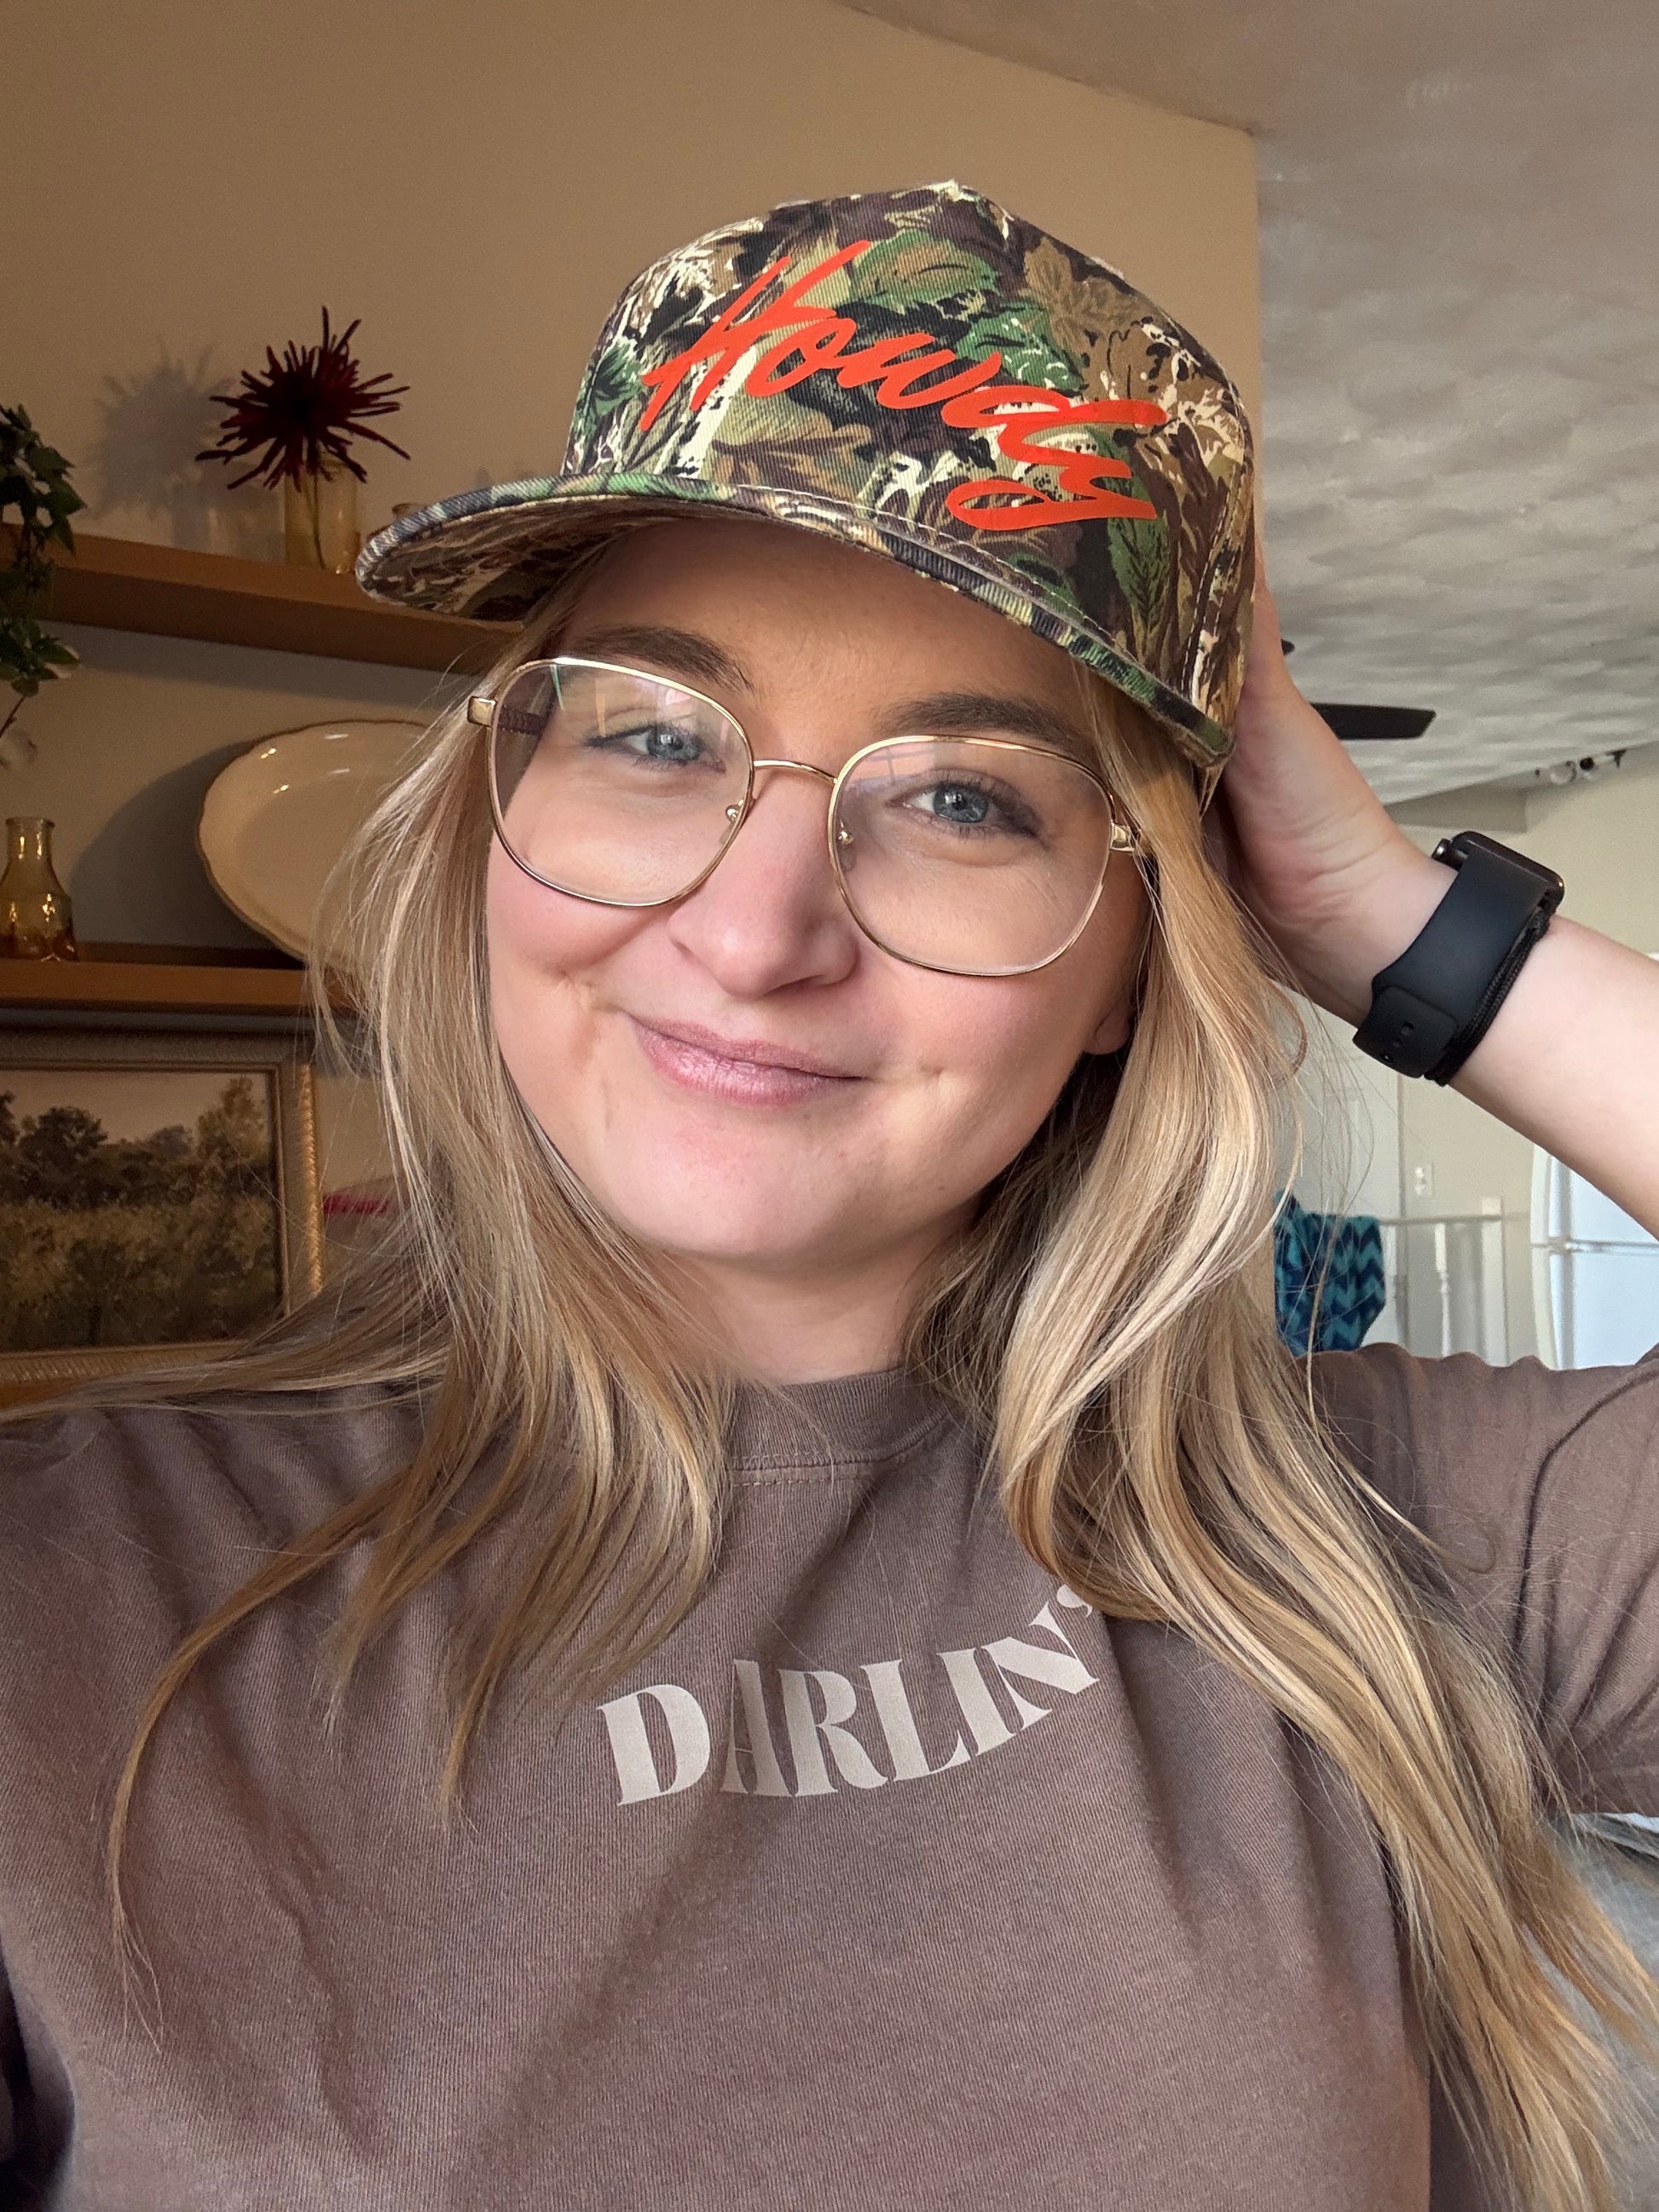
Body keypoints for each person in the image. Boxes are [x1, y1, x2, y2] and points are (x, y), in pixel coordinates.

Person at [3, 180, 1658, 2212]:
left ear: (1141, 946)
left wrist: (1402, 922)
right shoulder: (65, 1608)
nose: (756, 923)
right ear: (491, 819)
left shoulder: (1399, 1534)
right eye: (653, 734)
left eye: (963, 793)